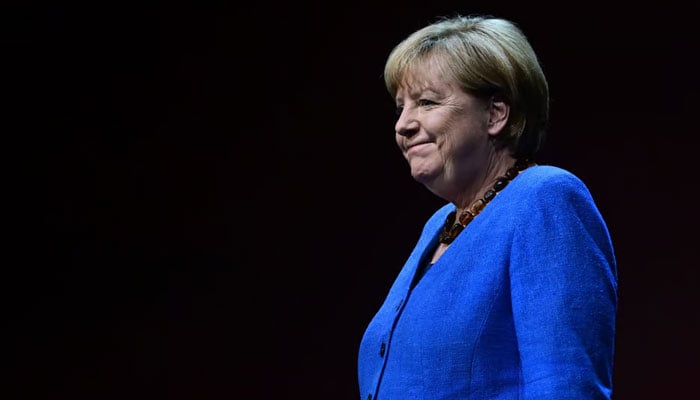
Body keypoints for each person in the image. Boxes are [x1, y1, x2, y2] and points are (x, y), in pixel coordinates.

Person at [357, 14, 618, 400]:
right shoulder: (439, 225)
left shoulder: (545, 198)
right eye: (401, 107)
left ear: (496, 113)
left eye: (427, 102)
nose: (403, 124)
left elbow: (565, 386)